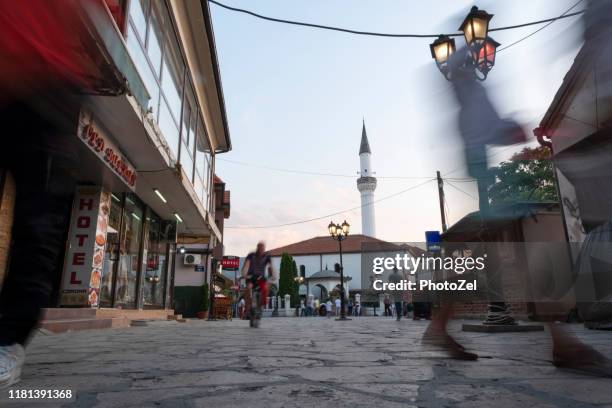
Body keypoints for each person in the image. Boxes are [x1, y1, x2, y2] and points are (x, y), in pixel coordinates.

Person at [241, 242, 276, 313]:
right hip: (251, 276)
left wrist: (273, 275)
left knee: (266, 288)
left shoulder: (267, 256)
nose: (261, 251)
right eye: (260, 248)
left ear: (264, 249)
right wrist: (244, 273)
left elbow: (270, 267)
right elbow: (246, 265)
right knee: (248, 288)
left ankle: (261, 305)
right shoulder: (251, 255)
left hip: (261, 277)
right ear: (257, 248)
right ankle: (248, 306)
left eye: (262, 249)